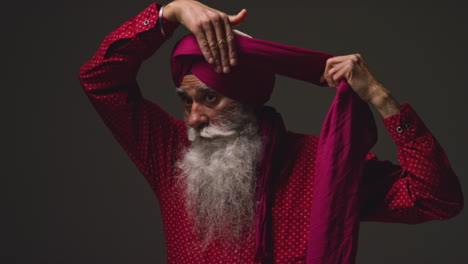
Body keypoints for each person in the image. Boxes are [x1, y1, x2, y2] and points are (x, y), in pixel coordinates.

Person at [78, 1, 464, 263]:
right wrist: (172, 11)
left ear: (248, 100)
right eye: (186, 101)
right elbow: (99, 79)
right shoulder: (170, 153)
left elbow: (435, 199)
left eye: (210, 99)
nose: (193, 118)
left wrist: (380, 98)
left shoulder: (322, 163)